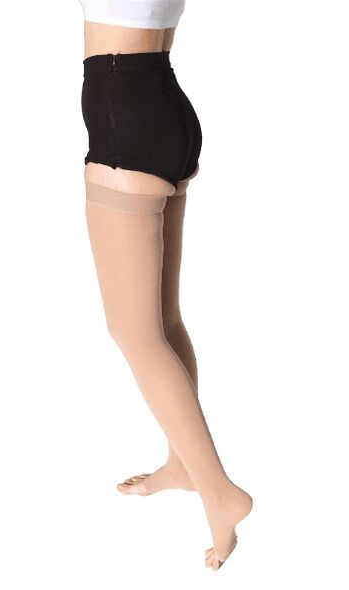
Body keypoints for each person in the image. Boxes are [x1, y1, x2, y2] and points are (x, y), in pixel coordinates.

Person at [79, 0, 253, 571]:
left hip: (123, 116)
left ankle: (220, 493)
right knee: (161, 320)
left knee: (133, 331)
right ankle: (181, 465)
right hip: (162, 106)